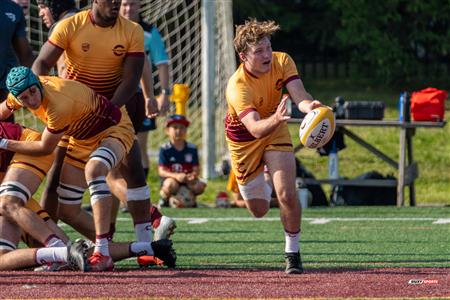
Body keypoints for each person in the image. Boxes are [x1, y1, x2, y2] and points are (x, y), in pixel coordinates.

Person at [31, 0, 176, 248]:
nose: (117, 4)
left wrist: (110, 109)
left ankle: (143, 242)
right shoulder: (69, 26)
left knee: (133, 170)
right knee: (56, 182)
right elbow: (40, 65)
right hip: (73, 119)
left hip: (114, 113)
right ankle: (52, 248)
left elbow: (132, 77)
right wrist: (46, 100)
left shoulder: (132, 30)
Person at [1, 66, 176, 271]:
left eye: (32, 92)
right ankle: (148, 249)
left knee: (94, 170)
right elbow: (5, 108)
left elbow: (45, 147)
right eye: (24, 97)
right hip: (79, 136)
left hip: (112, 128)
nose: (31, 100)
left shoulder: (58, 103)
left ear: (38, 84)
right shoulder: (21, 93)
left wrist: (3, 143)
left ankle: (90, 251)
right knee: (67, 211)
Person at [225, 19, 323, 274]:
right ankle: (264, 174)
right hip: (244, 140)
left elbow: (299, 94)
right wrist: (277, 118)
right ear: (243, 56)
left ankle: (293, 253)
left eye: (268, 47)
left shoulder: (282, 61)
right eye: (259, 51)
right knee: (259, 209)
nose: (267, 54)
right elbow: (255, 128)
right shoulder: (237, 86)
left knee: (287, 194)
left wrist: (309, 107)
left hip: (275, 129)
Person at [0, 121, 88, 271]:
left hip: (28, 149)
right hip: (9, 184)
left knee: (8, 204)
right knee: (3, 259)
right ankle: (138, 247)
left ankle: (60, 249)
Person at [35, 0, 79, 221]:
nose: (40, 12)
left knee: (54, 177)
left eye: (43, 6)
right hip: (96, 106)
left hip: (74, 112)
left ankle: (46, 238)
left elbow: (47, 68)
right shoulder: (84, 20)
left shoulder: (62, 26)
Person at [120, 0, 170, 178]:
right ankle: (117, 197)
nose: (128, 9)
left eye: (132, 4)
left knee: (138, 147)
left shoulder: (149, 32)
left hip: (142, 98)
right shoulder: (110, 30)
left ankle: (140, 196)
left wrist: (165, 93)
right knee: (115, 146)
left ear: (139, 6)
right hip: (116, 97)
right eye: (124, 4)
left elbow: (162, 64)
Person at [158, 114, 206, 208]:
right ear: (167, 130)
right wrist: (176, 176)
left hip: (187, 180)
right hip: (172, 180)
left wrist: (192, 176)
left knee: (200, 185)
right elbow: (161, 171)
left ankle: (191, 200)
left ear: (186, 130)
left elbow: (196, 168)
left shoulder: (192, 148)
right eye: (175, 127)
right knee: (170, 185)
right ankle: (165, 200)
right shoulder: (165, 149)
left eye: (182, 128)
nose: (178, 131)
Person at [0, 0, 34, 122]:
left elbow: (25, 54)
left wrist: (38, 82)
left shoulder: (13, 9)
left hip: (2, 90)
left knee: (6, 136)